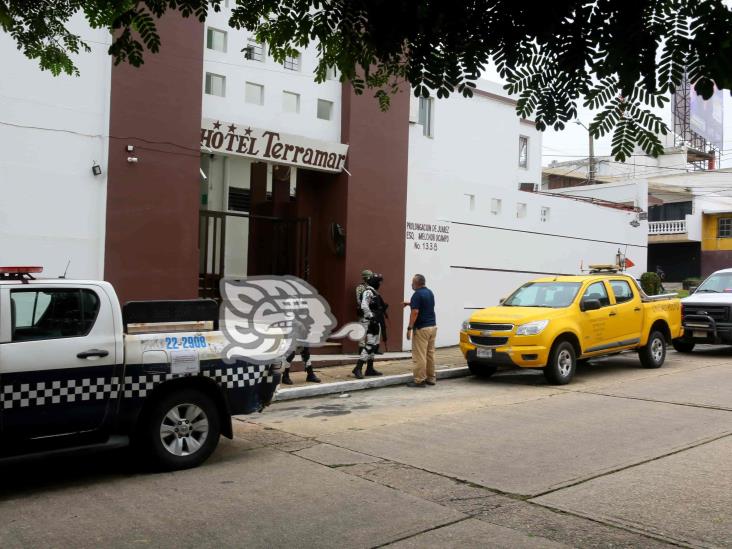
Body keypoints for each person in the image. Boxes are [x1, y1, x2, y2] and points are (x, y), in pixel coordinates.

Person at [404, 274, 437, 387]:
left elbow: (415, 312)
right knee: (430, 354)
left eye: (412, 282)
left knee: (419, 355)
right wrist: (410, 304)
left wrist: (409, 328)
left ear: (416, 283)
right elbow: (425, 305)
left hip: (422, 329)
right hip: (432, 327)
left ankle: (419, 380)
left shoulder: (416, 295)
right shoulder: (429, 292)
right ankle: (431, 378)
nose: (411, 284)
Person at [352, 273, 387, 379]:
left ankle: (370, 368)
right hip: (369, 322)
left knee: (375, 345)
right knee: (370, 344)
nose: (380, 284)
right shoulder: (368, 291)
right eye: (378, 282)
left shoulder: (374, 292)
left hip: (376, 322)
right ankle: (358, 368)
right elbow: (364, 305)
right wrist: (371, 316)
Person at [355, 269, 373, 356]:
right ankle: (361, 350)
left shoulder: (372, 287)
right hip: (364, 312)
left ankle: (370, 350)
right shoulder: (360, 287)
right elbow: (359, 300)